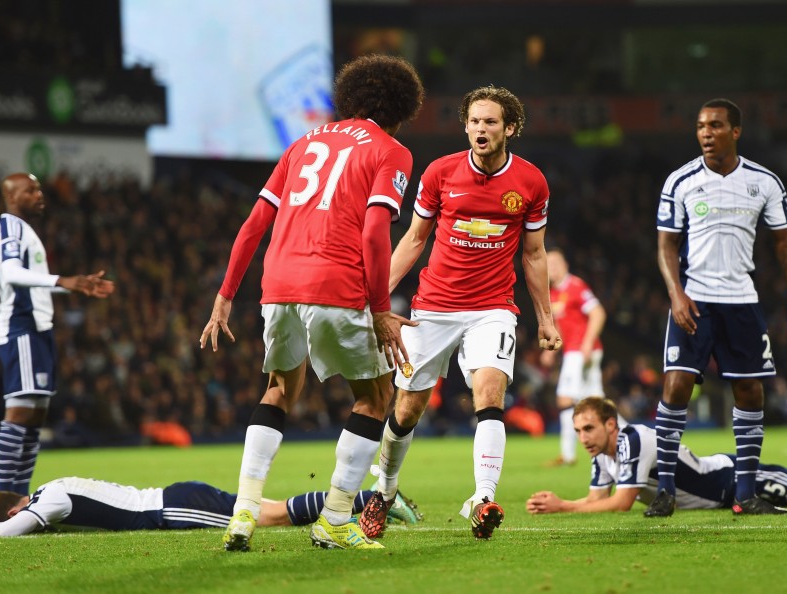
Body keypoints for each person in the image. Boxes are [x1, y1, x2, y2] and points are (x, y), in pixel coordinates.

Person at [198, 54, 424, 552]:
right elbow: (372, 233)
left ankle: (243, 512)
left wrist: (224, 297)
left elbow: (254, 224)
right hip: (335, 281)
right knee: (374, 398)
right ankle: (336, 520)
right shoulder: (392, 151)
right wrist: (381, 308)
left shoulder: (302, 143)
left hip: (277, 282)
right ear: (401, 105)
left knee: (279, 389)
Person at [358, 85, 562, 541]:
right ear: (465, 125)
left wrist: (545, 318)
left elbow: (534, 254)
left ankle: (483, 497)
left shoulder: (530, 182)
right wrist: (374, 297)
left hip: (493, 308)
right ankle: (385, 493)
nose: (480, 129)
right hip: (433, 307)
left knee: (490, 392)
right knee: (407, 407)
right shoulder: (440, 172)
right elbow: (413, 240)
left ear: (509, 128)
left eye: (490, 122)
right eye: (474, 121)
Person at [648, 98, 787, 517]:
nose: (705, 133)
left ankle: (746, 492)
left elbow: (783, 240)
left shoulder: (764, 181)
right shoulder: (680, 181)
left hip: (741, 301)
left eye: (715, 126)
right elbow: (665, 245)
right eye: (701, 126)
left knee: (750, 391)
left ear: (735, 131)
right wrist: (676, 293)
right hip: (695, 300)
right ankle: (665, 489)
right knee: (676, 385)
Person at [525, 397, 787, 515]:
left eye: (589, 429)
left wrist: (564, 506)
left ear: (611, 425)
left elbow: (619, 503)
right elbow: (598, 498)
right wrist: (563, 507)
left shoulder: (633, 441)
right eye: (578, 430)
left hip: (730, 482)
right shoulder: (603, 453)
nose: (582, 437)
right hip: (718, 485)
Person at [0, 173, 115, 496]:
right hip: (21, 326)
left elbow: (32, 283)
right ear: (13, 196)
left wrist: (76, 285)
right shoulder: (9, 227)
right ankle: (5, 499)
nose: (39, 194)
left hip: (38, 329)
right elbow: (10, 272)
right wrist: (63, 281)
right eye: (31, 190)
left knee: (35, 416)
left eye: (39, 189)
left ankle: (18, 496)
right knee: (19, 412)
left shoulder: (25, 230)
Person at [0, 477, 422, 538]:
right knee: (268, 510)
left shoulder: (51, 499)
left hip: (172, 509)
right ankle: (374, 499)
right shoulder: (54, 489)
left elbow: (10, 532)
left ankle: (376, 499)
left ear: (12, 509)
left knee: (268, 516)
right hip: (175, 501)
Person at [541, 247, 607, 467]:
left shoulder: (575, 286)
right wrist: (551, 350)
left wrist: (587, 343)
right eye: (549, 265)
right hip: (574, 351)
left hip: (581, 351)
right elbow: (561, 326)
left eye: (556, 264)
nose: (553, 269)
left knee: (565, 399)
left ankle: (568, 455)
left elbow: (598, 313)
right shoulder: (554, 293)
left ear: (566, 265)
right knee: (597, 403)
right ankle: (623, 441)